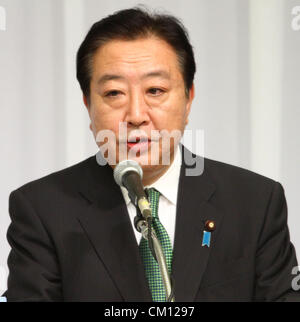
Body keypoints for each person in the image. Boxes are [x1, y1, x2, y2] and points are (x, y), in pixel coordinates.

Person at [3, 7, 300, 302]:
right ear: (87, 105)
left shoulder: (255, 203)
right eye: (114, 93)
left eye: (155, 90)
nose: (135, 114)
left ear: (188, 99)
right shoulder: (43, 210)